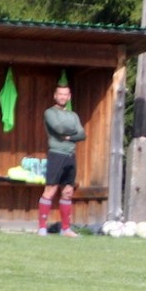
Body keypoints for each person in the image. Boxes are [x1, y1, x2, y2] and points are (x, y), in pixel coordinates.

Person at [38, 84, 86, 237]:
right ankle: (42, 228)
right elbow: (59, 128)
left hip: (70, 155)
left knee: (68, 192)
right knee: (50, 190)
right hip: (56, 154)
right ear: (55, 96)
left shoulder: (73, 115)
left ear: (69, 97)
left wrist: (69, 136)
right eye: (60, 94)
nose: (62, 97)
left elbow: (82, 134)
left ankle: (65, 229)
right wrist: (72, 131)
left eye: (65, 94)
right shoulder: (49, 112)